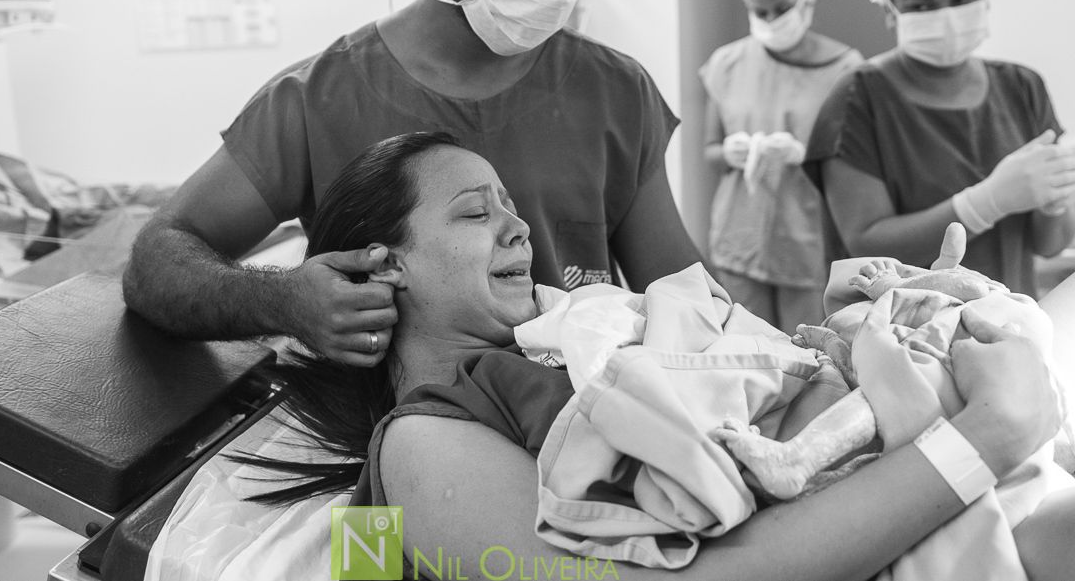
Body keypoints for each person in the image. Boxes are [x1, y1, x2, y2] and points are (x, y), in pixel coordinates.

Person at [239, 131, 1071, 581]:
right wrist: (981, 439)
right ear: (387, 265)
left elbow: (735, 396)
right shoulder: (423, 443)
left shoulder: (579, 333)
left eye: (510, 205)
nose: (518, 226)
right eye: (472, 212)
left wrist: (838, 344)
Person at [122, 0, 701, 367]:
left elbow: (687, 303)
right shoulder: (315, 102)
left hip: (573, 437)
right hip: (392, 445)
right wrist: (282, 300)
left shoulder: (615, 93)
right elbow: (157, 261)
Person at [806, 0, 1075, 299]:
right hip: (899, 330)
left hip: (1007, 322)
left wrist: (1053, 203)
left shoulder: (1022, 87)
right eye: (921, 5)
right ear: (889, 11)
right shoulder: (857, 98)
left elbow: (1048, 244)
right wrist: (984, 202)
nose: (946, 15)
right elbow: (864, 245)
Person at [701, 0, 862, 332]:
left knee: (808, 357)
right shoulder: (727, 63)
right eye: (761, 11)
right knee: (746, 351)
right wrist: (729, 152)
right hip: (740, 235)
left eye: (782, 8)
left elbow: (857, 165)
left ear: (807, 2)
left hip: (806, 238)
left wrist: (806, 155)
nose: (772, 20)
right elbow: (709, 152)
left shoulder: (845, 68)